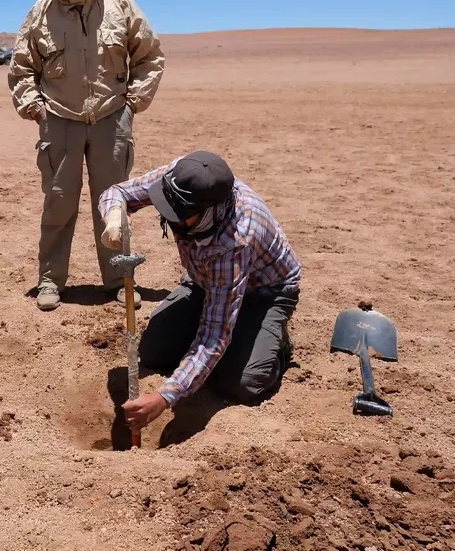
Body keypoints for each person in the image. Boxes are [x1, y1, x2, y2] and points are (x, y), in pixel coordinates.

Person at [7, 0, 165, 312]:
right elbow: (22, 67)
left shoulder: (120, 4)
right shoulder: (42, 10)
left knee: (112, 204)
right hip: (59, 119)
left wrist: (132, 104)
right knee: (58, 203)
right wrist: (36, 109)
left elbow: (149, 57)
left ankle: (117, 280)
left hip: (111, 117)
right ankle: (49, 280)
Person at [97, 151, 302, 433]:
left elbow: (214, 336)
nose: (170, 220)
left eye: (181, 217)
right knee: (154, 352)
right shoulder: (182, 179)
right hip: (206, 282)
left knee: (243, 383)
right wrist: (114, 214)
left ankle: (274, 344)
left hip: (264, 294)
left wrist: (164, 398)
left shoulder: (235, 240)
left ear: (210, 212)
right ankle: (226, 344)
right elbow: (119, 192)